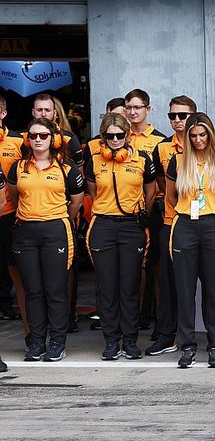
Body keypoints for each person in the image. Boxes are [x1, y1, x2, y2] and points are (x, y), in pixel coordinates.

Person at [8, 117, 85, 362]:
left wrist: (55, 218)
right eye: (33, 135)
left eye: (43, 135)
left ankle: (57, 342)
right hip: (26, 231)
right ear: (27, 139)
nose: (38, 140)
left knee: (55, 289)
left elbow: (77, 202)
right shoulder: (18, 167)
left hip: (56, 230)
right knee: (33, 290)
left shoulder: (67, 168)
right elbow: (13, 196)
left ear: (53, 138)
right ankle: (37, 341)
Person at [165, 113, 215, 368]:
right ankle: (187, 345)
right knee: (185, 290)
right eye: (193, 136)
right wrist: (187, 210)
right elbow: (171, 196)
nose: (198, 140)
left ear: (210, 135)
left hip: (214, 223)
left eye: (202, 135)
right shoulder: (177, 161)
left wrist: (213, 210)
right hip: (184, 223)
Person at [85, 113, 157, 361]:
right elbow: (93, 191)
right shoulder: (93, 161)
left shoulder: (142, 159)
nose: (115, 140)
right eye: (109, 136)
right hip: (103, 224)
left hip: (131, 226)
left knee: (129, 285)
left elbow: (151, 189)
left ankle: (130, 339)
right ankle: (111, 340)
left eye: (119, 135)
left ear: (127, 136)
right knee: (107, 286)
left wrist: (142, 213)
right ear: (103, 137)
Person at [146, 95, 197, 356]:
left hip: (204, 222)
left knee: (210, 281)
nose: (177, 121)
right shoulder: (163, 148)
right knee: (166, 280)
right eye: (172, 116)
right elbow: (164, 186)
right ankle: (167, 335)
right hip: (171, 220)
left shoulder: (210, 146)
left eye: (183, 116)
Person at [122, 89, 166, 333]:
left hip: (154, 209)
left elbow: (161, 179)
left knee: (157, 266)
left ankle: (160, 318)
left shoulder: (160, 140)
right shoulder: (120, 137)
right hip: (127, 210)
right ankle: (137, 316)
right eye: (129, 107)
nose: (132, 112)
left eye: (137, 107)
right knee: (133, 266)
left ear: (148, 109)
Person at [0, 95, 26, 327]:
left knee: (11, 264)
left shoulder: (18, 141)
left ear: (3, 114)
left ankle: (6, 304)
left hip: (8, 211)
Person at [25, 93, 83, 164]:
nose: (43, 114)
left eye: (47, 110)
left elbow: (79, 171)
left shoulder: (69, 138)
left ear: (55, 113)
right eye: (39, 110)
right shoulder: (22, 138)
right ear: (33, 112)